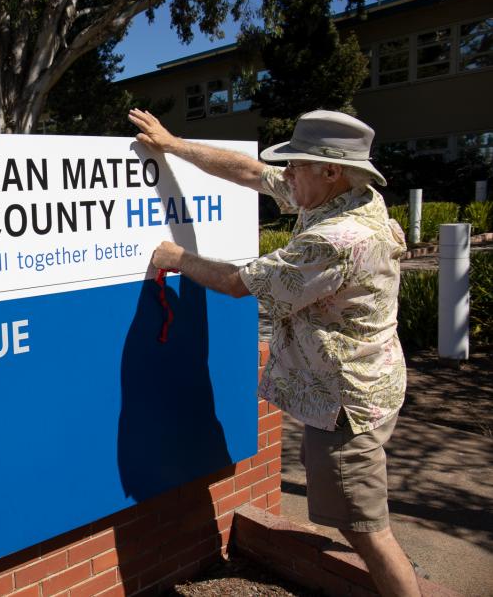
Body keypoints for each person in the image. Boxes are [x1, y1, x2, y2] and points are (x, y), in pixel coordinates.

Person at [128, 108, 420, 597]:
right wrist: (173, 144)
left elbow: (239, 283)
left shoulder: (335, 239)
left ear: (331, 170)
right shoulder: (347, 197)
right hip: (372, 384)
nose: (285, 175)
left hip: (346, 406)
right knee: (356, 517)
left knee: (367, 530)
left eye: (295, 165)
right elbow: (249, 172)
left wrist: (175, 257)